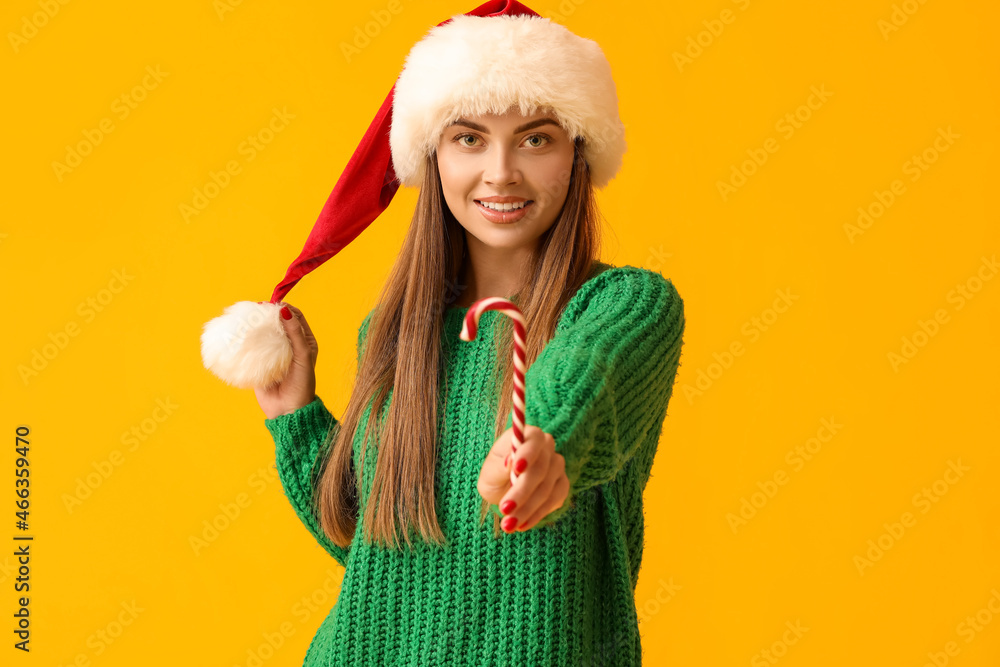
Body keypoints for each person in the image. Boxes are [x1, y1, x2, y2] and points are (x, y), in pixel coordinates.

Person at [252, 5, 685, 666]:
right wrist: (294, 418)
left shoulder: (625, 304)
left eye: (536, 138)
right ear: (434, 155)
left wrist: (541, 443)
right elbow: (382, 554)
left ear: (578, 152)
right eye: (469, 138)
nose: (502, 171)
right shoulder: (395, 333)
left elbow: (585, 376)